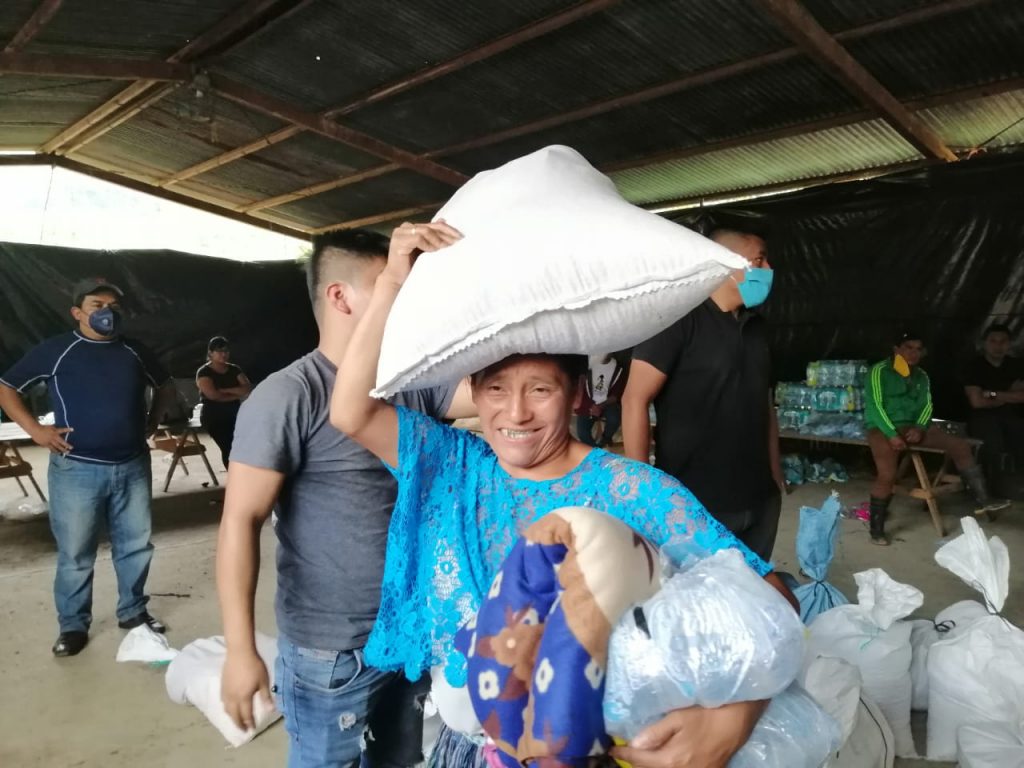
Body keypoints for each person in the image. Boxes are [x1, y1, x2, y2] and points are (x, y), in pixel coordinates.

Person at [331, 221, 798, 768]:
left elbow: (773, 601)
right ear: (474, 394)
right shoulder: (455, 468)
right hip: (472, 751)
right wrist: (389, 282)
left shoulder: (631, 489)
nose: (516, 413)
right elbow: (351, 411)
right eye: (498, 389)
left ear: (576, 394)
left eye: (541, 389)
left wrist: (729, 720)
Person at [216, 228, 472, 768]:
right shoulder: (291, 394)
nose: (405, 295)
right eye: (390, 283)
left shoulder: (412, 383)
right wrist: (240, 649)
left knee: (400, 760)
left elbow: (502, 394)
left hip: (407, 630)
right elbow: (241, 519)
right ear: (341, 296)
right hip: (331, 651)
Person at [0, 278, 175, 657]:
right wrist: (36, 431)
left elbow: (164, 385)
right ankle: (73, 625)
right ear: (77, 313)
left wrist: (152, 420)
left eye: (113, 305)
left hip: (132, 465)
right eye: (97, 305)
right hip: (76, 469)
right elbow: (7, 386)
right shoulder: (58, 351)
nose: (107, 312)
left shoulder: (134, 351)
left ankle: (133, 612)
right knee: (76, 553)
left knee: (135, 546)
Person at [620, 228, 785, 561]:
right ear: (724, 265)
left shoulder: (758, 329)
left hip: (759, 495)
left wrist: (775, 474)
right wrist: (640, 489)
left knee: (752, 593)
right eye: (758, 260)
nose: (768, 269)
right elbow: (634, 399)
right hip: (696, 499)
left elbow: (765, 405)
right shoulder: (677, 321)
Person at [864, 330, 1010, 545]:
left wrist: (921, 428)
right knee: (887, 475)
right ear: (896, 350)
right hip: (882, 428)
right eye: (908, 347)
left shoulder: (921, 375)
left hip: (913, 427)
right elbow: (875, 407)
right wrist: (892, 435)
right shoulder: (879, 371)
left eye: (918, 349)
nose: (913, 353)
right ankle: (876, 530)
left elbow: (926, 407)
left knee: (960, 446)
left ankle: (984, 500)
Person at [963, 323, 1024, 475]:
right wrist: (1011, 393)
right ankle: (993, 481)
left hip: (1014, 415)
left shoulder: (1017, 365)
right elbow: (977, 402)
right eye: (993, 341)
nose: (998, 346)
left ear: (1009, 344)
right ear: (984, 343)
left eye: (1003, 341)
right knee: (992, 438)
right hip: (983, 417)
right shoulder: (974, 366)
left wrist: (992, 394)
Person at [195, 336, 251, 468]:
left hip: (235, 412)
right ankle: (234, 476)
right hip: (214, 415)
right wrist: (235, 394)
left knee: (243, 445)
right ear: (210, 353)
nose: (224, 354)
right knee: (228, 447)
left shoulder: (234, 369)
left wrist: (224, 390)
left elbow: (247, 388)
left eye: (226, 351)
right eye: (220, 351)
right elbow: (213, 395)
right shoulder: (204, 372)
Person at [574, 353, 627, 447]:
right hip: (587, 403)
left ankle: (605, 438)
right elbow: (580, 389)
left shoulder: (618, 369)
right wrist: (591, 406)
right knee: (582, 433)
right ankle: (597, 450)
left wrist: (600, 406)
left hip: (607, 403)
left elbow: (615, 396)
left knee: (614, 419)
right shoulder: (588, 364)